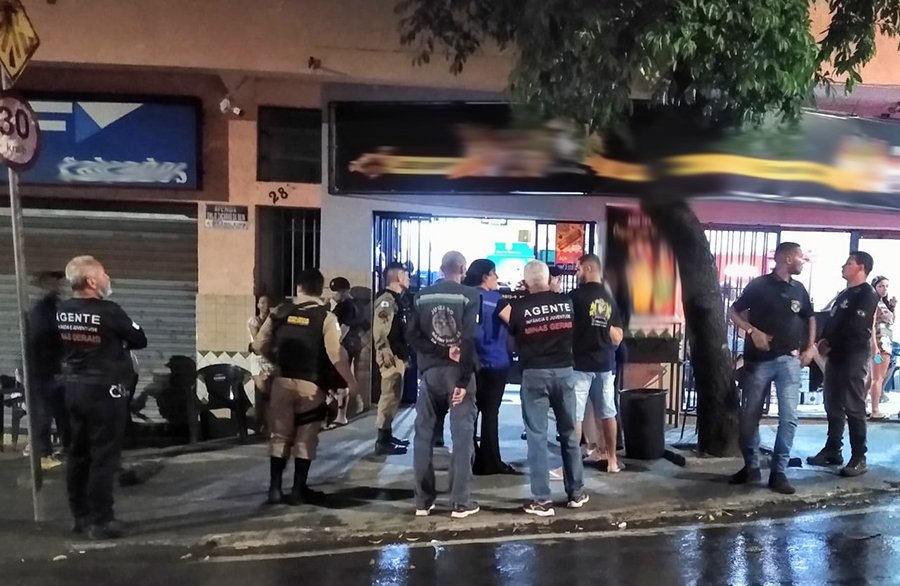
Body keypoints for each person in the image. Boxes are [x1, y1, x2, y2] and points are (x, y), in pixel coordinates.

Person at [56, 256, 147, 540]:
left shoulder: (61, 310)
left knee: (78, 454)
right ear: (92, 281)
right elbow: (139, 339)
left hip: (73, 389)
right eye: (104, 274)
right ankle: (101, 520)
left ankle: (80, 516)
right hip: (104, 392)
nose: (108, 278)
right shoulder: (109, 311)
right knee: (103, 456)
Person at [253, 269, 357, 505]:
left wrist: (274, 359)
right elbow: (335, 354)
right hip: (312, 385)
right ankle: (298, 490)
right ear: (320, 289)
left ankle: (274, 489)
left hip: (281, 383)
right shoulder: (326, 318)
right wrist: (350, 382)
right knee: (305, 438)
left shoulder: (279, 312)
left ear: (298, 288)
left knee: (280, 436)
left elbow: (259, 345)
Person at [500, 260, 588, 517]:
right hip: (565, 372)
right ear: (548, 279)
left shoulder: (519, 307)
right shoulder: (566, 303)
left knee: (537, 436)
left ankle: (542, 500)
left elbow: (511, 345)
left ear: (526, 282)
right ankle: (576, 492)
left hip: (534, 373)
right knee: (569, 433)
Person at [727, 242, 816, 495]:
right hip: (758, 362)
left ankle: (779, 472)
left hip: (789, 361)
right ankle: (751, 467)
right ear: (786, 258)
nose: (803, 261)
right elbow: (733, 312)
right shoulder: (759, 285)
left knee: (789, 418)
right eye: (800, 256)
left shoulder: (799, 289)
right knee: (749, 418)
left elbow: (809, 317)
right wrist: (752, 331)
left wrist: (810, 347)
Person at [407, 251, 481, 518]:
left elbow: (411, 336)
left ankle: (422, 501)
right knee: (462, 437)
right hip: (457, 375)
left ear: (441, 268)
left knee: (423, 436)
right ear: (462, 269)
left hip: (429, 374)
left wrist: (439, 351)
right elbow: (469, 339)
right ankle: (460, 502)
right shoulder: (470, 295)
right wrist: (463, 379)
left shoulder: (421, 296)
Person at [808, 252, 880, 477]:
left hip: (853, 355)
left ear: (862, 268)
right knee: (832, 403)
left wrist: (831, 343)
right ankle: (833, 449)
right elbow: (832, 321)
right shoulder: (844, 294)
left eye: (849, 263)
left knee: (853, 405)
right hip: (835, 355)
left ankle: (859, 456)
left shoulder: (867, 294)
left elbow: (856, 326)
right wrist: (823, 340)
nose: (843, 266)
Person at [569, 254, 625, 474]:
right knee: (608, 412)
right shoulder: (610, 299)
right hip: (605, 364)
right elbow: (618, 337)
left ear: (589, 268)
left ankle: (571, 465)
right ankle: (612, 460)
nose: (576, 273)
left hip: (579, 364)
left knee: (575, 415)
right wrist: (603, 326)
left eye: (578, 269)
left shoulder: (574, 297)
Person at [463, 259, 516, 476]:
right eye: (494, 274)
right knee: (491, 413)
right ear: (485, 276)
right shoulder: (497, 300)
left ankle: (469, 457)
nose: (497, 278)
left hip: (469, 364)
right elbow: (515, 323)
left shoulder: (465, 297)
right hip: (495, 362)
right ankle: (490, 461)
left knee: (470, 413)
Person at [26, 270, 70, 470]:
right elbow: (40, 342)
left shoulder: (55, 308)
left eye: (58, 282)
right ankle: (43, 454)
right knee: (43, 413)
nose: (57, 286)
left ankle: (67, 448)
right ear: (43, 286)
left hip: (54, 370)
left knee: (63, 411)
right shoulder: (40, 312)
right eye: (53, 283)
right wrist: (55, 365)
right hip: (42, 372)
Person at [372, 262, 412, 455]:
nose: (409, 279)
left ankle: (387, 435)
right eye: (406, 275)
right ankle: (382, 440)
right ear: (399, 277)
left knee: (394, 396)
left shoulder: (398, 299)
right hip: (390, 356)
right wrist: (384, 350)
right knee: (389, 396)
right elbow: (380, 329)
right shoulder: (387, 300)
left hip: (398, 354)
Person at [328, 277, 361, 427]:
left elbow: (343, 330)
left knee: (340, 380)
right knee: (335, 379)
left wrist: (332, 344)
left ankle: (341, 416)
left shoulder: (348, 306)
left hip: (343, 347)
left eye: (337, 292)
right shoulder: (341, 305)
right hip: (340, 347)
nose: (334, 294)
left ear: (344, 291)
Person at [868, 276, 895, 419]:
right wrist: (874, 345)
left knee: (872, 377)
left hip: (886, 342)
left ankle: (860, 405)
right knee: (877, 377)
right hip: (880, 344)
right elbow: (871, 325)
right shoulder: (873, 303)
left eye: (886, 286)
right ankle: (875, 410)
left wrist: (893, 307)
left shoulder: (882, 303)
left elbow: (891, 321)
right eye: (881, 286)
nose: (884, 289)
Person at [248, 295, 276, 432]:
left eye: (268, 302)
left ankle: (270, 423)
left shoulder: (273, 321)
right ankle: (260, 423)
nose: (266, 305)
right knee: (261, 392)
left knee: (272, 394)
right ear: (258, 305)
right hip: (259, 359)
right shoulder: (254, 321)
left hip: (271, 359)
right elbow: (259, 339)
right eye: (263, 302)